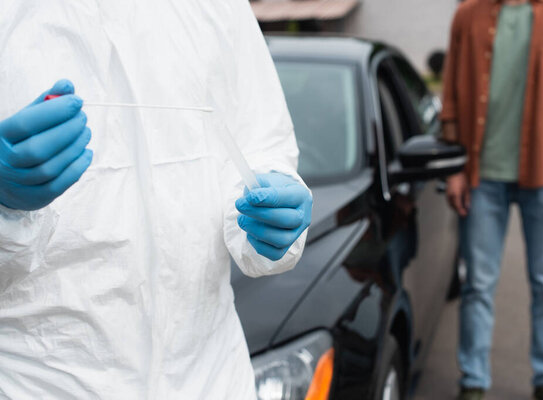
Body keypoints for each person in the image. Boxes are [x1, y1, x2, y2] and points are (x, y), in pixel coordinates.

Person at [0, 1, 312, 398]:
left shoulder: (217, 8)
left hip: (213, 377)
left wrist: (270, 195)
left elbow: (259, 139)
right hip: (39, 384)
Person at [441, 0, 543, 399]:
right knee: (477, 284)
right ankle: (473, 380)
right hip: (481, 176)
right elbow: (452, 97)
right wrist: (455, 167)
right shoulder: (468, 13)